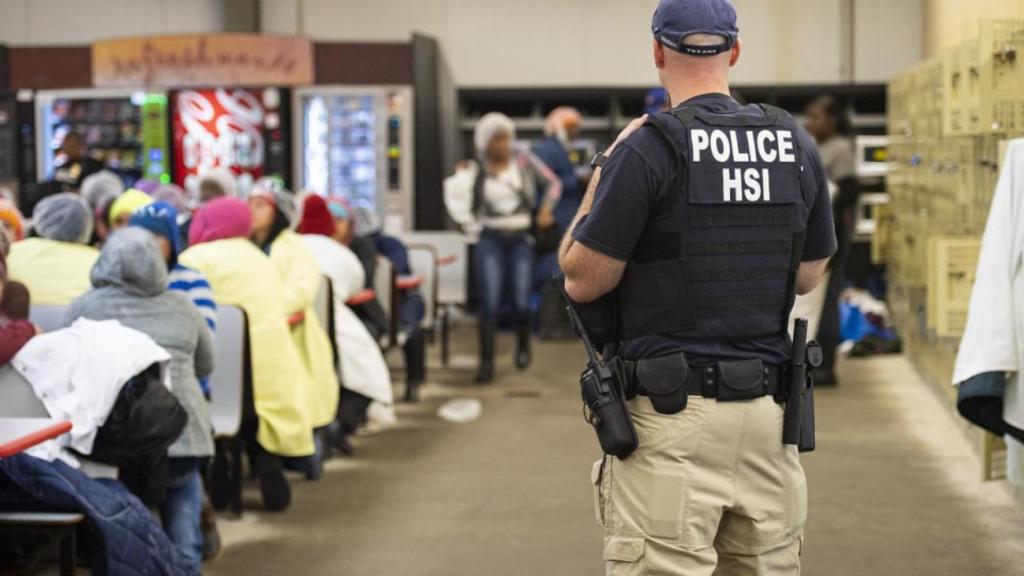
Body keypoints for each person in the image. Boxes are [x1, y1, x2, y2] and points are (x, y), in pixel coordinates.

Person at [558, 1, 835, 573]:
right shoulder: (794, 142)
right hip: (769, 418)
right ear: (735, 52)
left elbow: (582, 279)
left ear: (658, 53)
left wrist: (603, 171)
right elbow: (809, 273)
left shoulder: (647, 147)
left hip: (671, 421)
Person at [65, 228, 214, 576]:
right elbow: (206, 364)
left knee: (129, 529)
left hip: (115, 440)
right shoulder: (184, 306)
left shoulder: (85, 307)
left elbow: (67, 366)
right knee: (182, 515)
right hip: (183, 432)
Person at [180, 197, 315, 511]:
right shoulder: (261, 258)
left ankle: (218, 473)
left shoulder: (195, 258)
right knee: (258, 415)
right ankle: (267, 460)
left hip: (219, 372)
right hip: (270, 370)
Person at [443, 112, 561, 383]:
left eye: (506, 138)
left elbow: (553, 183)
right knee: (489, 302)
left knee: (522, 300)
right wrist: (462, 181)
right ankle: (486, 364)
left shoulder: (523, 161)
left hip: (520, 238)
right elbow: (460, 202)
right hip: (490, 238)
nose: (504, 144)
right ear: (485, 143)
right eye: (497, 139)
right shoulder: (476, 169)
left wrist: (546, 209)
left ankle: (523, 345)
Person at [249, 182, 339, 477]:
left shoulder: (293, 247)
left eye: (260, 205)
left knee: (297, 398)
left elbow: (301, 290)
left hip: (292, 335)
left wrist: (268, 312)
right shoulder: (244, 247)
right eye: (249, 204)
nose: (252, 211)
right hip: (257, 335)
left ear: (277, 212)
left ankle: (307, 455)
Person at [297, 195, 395, 450]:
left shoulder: (358, 247)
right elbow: (355, 284)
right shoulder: (339, 254)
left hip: (311, 323)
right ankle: (334, 427)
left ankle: (334, 426)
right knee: (364, 369)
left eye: (341, 219)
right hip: (331, 323)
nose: (337, 224)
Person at [803, 94, 857, 387]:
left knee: (827, 301)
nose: (810, 122)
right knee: (814, 301)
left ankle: (825, 366)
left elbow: (848, 194)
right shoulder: (814, 145)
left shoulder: (840, 149)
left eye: (816, 116)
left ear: (832, 119)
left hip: (833, 232)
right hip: (816, 230)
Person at [351, 206, 427, 401]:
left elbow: (397, 272)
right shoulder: (345, 247)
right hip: (368, 303)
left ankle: (414, 380)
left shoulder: (390, 245)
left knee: (409, 328)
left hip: (403, 298)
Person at [7, 193, 99, 306]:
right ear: (88, 225)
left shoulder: (13, 252)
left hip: (21, 313)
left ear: (41, 219)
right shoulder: (99, 260)